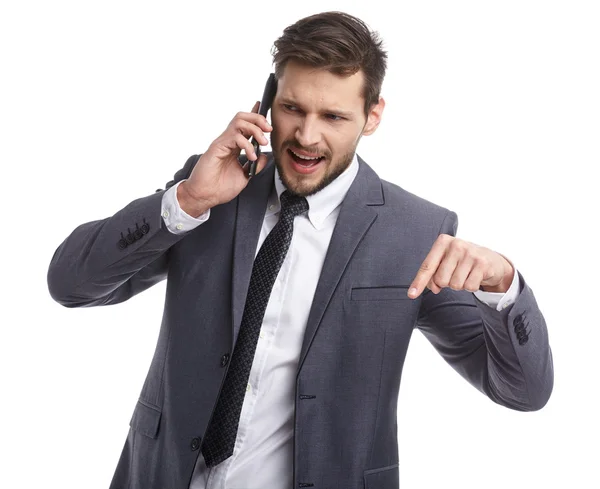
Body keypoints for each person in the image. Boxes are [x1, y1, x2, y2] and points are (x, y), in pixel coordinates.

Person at [47, 10, 553, 489]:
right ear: (267, 100)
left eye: (333, 116)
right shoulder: (213, 188)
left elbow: (523, 392)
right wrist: (186, 200)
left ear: (372, 115)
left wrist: (504, 287)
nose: (306, 138)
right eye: (292, 108)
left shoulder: (415, 232)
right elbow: (69, 285)